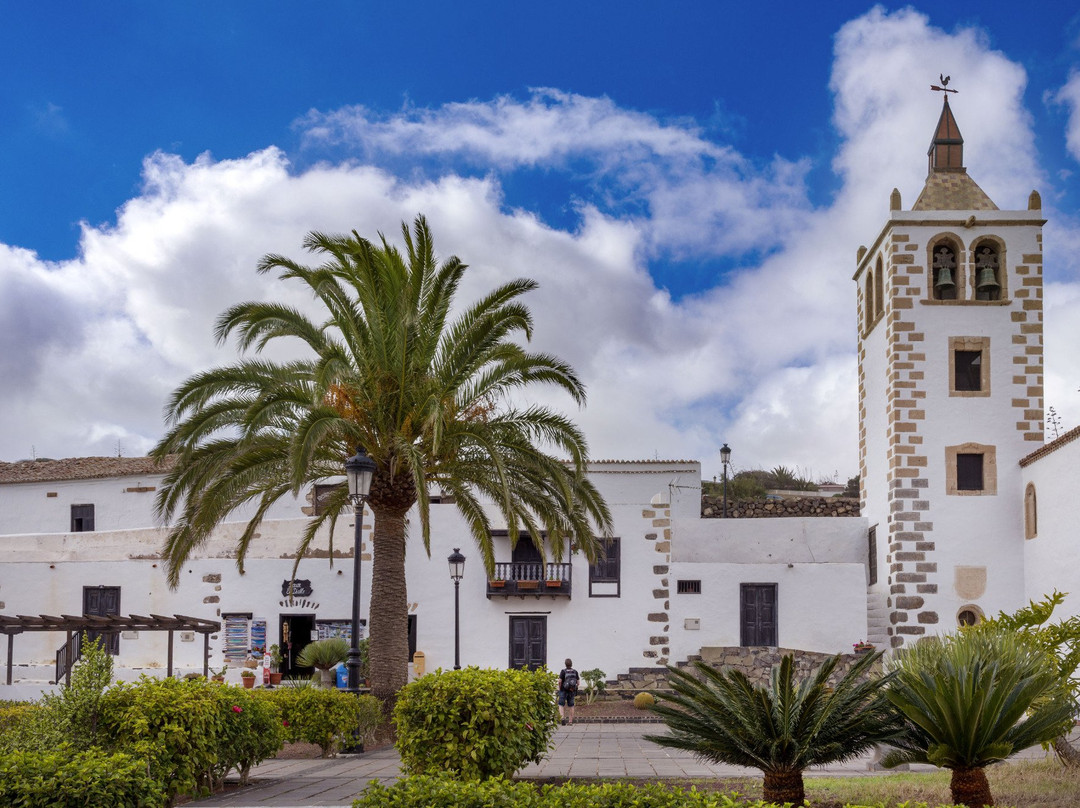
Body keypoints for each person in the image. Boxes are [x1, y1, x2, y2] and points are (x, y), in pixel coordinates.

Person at [557, 658, 579, 726]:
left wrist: (560, 688)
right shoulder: (575, 671)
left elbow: (559, 681)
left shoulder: (563, 671)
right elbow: (578, 683)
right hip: (572, 691)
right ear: (571, 664)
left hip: (563, 690)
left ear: (565, 664)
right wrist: (574, 688)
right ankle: (570, 721)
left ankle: (562, 719)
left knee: (561, 705)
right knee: (571, 706)